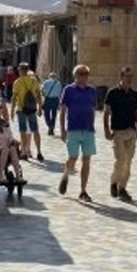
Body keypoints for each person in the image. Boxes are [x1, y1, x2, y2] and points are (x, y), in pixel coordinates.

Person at [58, 64, 98, 203]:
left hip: (88, 130)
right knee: (73, 158)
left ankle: (83, 190)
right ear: (75, 75)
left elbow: (93, 109)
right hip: (73, 129)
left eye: (86, 73)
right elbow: (62, 111)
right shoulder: (68, 90)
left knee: (86, 160)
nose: (84, 76)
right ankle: (66, 175)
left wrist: (93, 126)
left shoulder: (92, 90)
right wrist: (62, 130)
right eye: (81, 73)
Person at [103, 66, 137, 203]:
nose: (130, 79)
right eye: (127, 76)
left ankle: (122, 188)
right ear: (121, 77)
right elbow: (106, 112)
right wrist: (107, 129)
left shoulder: (134, 94)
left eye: (131, 76)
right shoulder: (112, 93)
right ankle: (114, 182)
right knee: (120, 160)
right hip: (118, 132)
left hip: (131, 131)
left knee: (129, 161)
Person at [10, 62, 45, 162]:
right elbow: (38, 95)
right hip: (32, 109)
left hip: (21, 109)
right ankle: (39, 152)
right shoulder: (34, 81)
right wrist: (39, 108)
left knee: (23, 131)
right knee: (35, 131)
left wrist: (12, 111)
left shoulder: (17, 82)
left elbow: (14, 97)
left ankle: (24, 152)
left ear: (20, 70)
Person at [40, 71, 63, 136]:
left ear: (49, 76)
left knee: (46, 113)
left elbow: (41, 90)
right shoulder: (59, 83)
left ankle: (49, 125)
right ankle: (52, 128)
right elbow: (60, 92)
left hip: (48, 99)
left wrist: (44, 95)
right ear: (55, 77)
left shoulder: (46, 82)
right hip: (55, 99)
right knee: (54, 114)